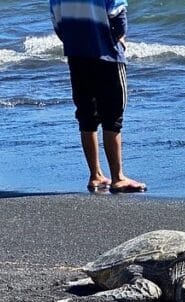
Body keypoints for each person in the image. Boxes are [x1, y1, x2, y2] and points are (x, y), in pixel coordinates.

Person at [50, 0, 147, 193]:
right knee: (113, 116)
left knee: (87, 115)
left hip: (77, 56)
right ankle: (118, 177)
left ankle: (95, 174)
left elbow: (57, 22)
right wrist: (119, 40)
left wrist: (76, 43)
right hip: (107, 56)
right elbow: (119, 17)